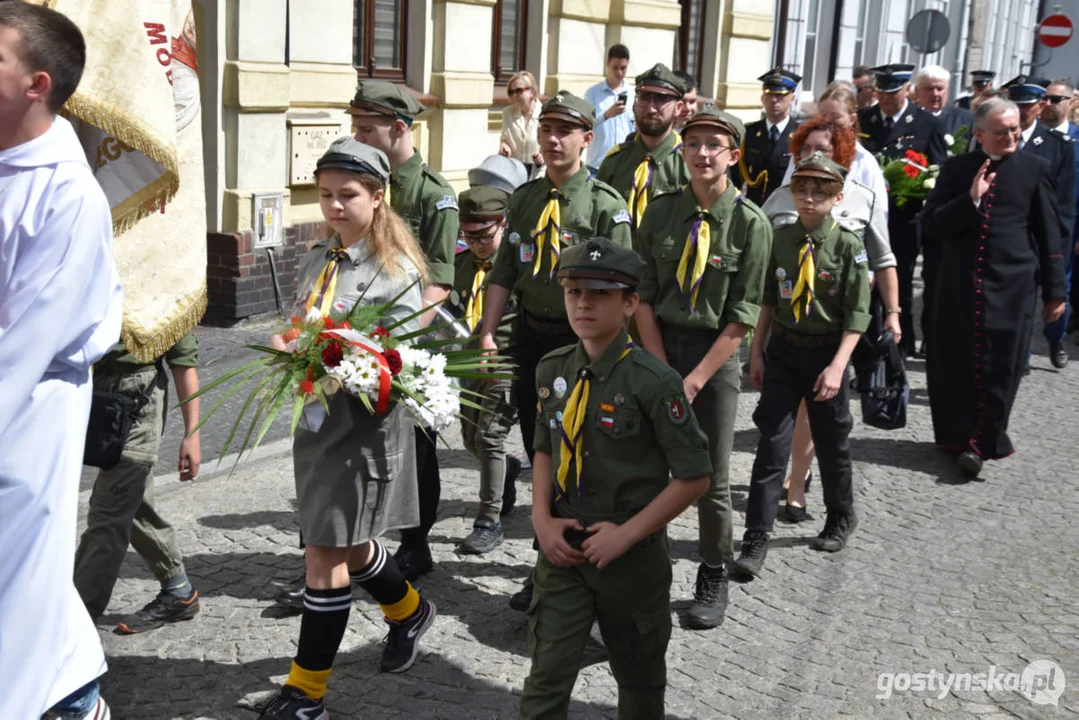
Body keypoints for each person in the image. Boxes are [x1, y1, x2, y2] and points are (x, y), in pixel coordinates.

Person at [258, 139, 437, 719]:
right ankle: (409, 611)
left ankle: (305, 695)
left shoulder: (395, 270)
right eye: (327, 195)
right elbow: (300, 322)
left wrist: (345, 357)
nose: (335, 206)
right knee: (349, 546)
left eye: (349, 195)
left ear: (378, 196)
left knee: (323, 554)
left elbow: (400, 358)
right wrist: (285, 342)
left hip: (363, 428)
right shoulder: (320, 256)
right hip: (317, 420)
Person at [519, 237, 711, 719]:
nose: (583, 303)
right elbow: (545, 446)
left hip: (630, 557)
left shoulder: (653, 381)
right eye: (573, 291)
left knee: (640, 682)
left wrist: (625, 536)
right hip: (564, 548)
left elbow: (694, 476)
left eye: (600, 294)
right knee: (546, 679)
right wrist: (541, 520)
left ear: (630, 304)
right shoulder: (553, 368)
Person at [0, 4, 122, 718]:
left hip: (25, 410)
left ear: (36, 84)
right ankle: (77, 696)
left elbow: (24, 342)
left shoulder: (67, 194)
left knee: (18, 581)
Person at [480, 90, 633, 610]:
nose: (551, 139)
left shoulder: (605, 205)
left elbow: (622, 286)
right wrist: (486, 332)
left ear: (587, 139)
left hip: (583, 345)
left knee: (582, 458)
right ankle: (549, 561)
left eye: (564, 131)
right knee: (541, 450)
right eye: (546, 128)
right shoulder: (523, 199)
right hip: (532, 338)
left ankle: (576, 568)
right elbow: (504, 272)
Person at [635, 104, 773, 628]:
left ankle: (712, 572)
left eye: (713, 145)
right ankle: (647, 568)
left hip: (715, 360)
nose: (701, 153)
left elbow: (741, 315)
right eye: (693, 144)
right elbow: (644, 295)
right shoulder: (661, 211)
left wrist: (692, 378)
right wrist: (659, 365)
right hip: (658, 347)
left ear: (733, 155)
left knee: (708, 477)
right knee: (649, 466)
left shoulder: (750, 223)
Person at [735, 154, 871, 578]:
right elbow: (768, 301)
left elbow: (857, 315)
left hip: (827, 353)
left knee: (832, 443)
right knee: (771, 447)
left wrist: (837, 367)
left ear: (837, 197)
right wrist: (756, 353)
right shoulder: (780, 239)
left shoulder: (848, 246)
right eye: (802, 190)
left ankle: (840, 515)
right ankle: (756, 535)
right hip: (785, 353)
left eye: (820, 192)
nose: (809, 198)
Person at [349, 79, 460, 581]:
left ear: (398, 129)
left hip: (410, 342)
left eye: (366, 130)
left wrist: (395, 343)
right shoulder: (357, 185)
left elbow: (439, 283)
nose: (357, 138)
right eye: (354, 129)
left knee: (417, 447)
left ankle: (417, 543)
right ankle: (353, 542)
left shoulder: (433, 195)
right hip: (358, 343)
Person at [762, 114, 898, 522]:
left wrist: (893, 313)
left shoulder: (859, 198)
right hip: (787, 325)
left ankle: (802, 485)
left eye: (823, 149)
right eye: (807, 149)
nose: (814, 156)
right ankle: (784, 493)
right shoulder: (783, 197)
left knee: (819, 415)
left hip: (835, 327)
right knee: (784, 419)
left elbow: (884, 259)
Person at [921, 98, 1066, 477]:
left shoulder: (1036, 169)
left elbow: (1050, 234)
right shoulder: (956, 171)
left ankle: (983, 443)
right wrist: (970, 199)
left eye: (1016, 129)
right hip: (959, 287)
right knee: (957, 363)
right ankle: (957, 437)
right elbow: (931, 226)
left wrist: (1055, 293)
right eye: (1002, 132)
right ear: (980, 134)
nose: (1012, 136)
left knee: (1002, 365)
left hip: (1013, 286)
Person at [74, 334, 202, 633]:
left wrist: (192, 434)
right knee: (133, 499)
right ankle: (179, 590)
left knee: (108, 514)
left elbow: (183, 362)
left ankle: (72, 623)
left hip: (136, 397)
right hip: (94, 392)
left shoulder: (159, 288)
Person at [857, 63, 947, 356]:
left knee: (901, 280)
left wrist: (921, 185)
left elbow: (937, 169)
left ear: (906, 90)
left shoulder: (925, 122)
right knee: (864, 278)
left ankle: (901, 341)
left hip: (904, 217)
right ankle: (865, 341)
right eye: (880, 92)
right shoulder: (863, 119)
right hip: (866, 215)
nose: (885, 98)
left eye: (892, 92)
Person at [452, 186, 522, 554]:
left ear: (503, 224)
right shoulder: (462, 266)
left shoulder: (517, 269)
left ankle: (488, 520)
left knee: (490, 438)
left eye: (485, 235)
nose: (477, 243)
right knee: (469, 440)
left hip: (502, 364)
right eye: (468, 235)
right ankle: (506, 470)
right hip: (467, 364)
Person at [1001, 76, 1075, 370]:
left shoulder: (1058, 147)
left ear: (1040, 106)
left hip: (1040, 238)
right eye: (1016, 103)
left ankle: (1053, 340)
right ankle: (1019, 355)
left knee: (1047, 298)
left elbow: (1065, 205)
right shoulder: (994, 136)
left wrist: (1059, 246)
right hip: (1003, 237)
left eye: (1027, 104)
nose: (1020, 110)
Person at [596, 63, 689, 229]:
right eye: (644, 98)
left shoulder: (689, 164)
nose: (651, 108)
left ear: (678, 108)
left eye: (661, 100)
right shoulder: (615, 162)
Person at [738, 67, 802, 207]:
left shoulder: (801, 135)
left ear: (792, 98)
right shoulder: (748, 132)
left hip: (784, 210)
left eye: (780, 95)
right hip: (752, 207)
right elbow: (737, 176)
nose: (774, 100)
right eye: (770, 94)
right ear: (762, 98)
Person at [584, 44, 635, 173]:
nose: (619, 73)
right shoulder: (593, 93)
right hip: (597, 165)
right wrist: (606, 115)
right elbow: (585, 124)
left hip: (625, 165)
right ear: (607, 64)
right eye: (615, 68)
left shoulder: (634, 93)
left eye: (623, 68)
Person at [500, 71, 544, 177]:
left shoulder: (545, 113)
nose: (514, 95)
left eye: (519, 90)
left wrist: (541, 157)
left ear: (532, 91)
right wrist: (504, 148)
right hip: (514, 172)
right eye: (511, 92)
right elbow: (505, 139)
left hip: (538, 172)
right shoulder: (507, 113)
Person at [914, 64, 974, 138]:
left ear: (947, 90)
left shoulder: (966, 119)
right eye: (929, 89)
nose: (935, 94)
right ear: (917, 91)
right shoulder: (907, 118)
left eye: (939, 89)